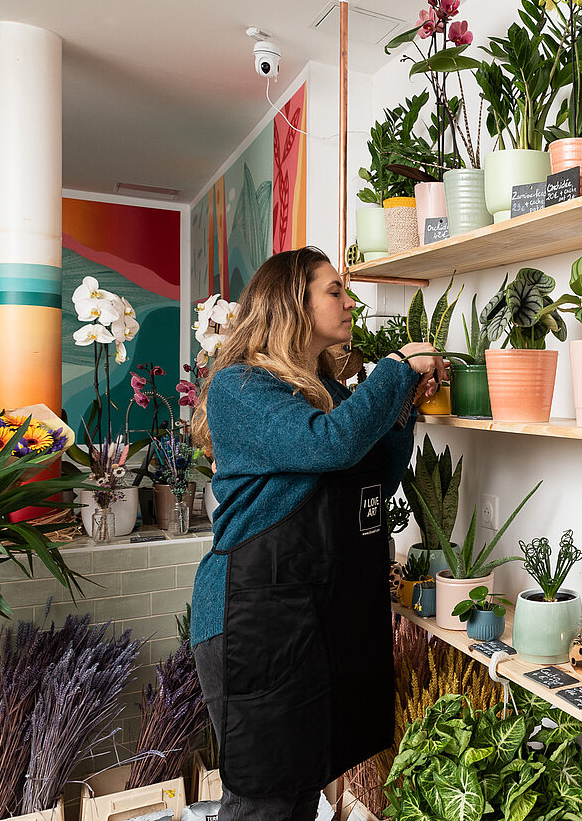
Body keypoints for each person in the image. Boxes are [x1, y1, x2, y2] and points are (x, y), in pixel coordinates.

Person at [189, 247, 444, 821]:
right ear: (291, 302)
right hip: (249, 620)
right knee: (263, 796)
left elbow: (373, 472)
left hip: (305, 613)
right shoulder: (241, 389)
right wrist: (394, 372)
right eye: (335, 290)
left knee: (302, 787)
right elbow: (330, 444)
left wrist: (401, 407)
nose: (350, 301)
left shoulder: (327, 391)